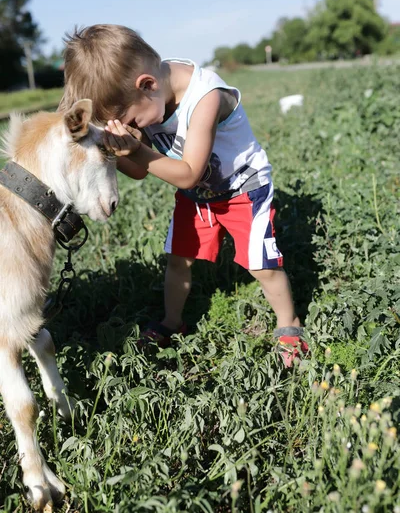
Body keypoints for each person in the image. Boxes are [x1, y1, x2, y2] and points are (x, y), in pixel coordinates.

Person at [60, 24, 308, 366]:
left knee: (260, 265)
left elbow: (189, 173)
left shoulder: (206, 97)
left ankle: (288, 323)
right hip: (198, 196)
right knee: (178, 260)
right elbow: (140, 169)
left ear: (147, 85)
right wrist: (113, 149)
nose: (135, 126)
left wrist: (137, 149)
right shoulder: (148, 100)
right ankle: (171, 322)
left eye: (132, 120)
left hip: (243, 190)